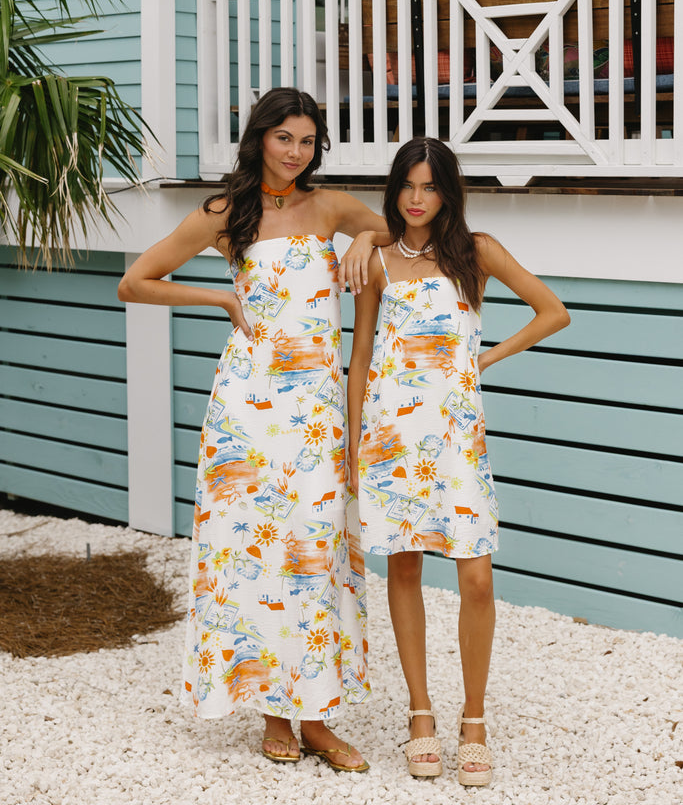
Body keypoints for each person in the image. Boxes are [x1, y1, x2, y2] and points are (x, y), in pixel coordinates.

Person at [118, 88, 389, 772]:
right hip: (246, 411)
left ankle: (316, 717)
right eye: (283, 138)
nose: (295, 152)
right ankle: (273, 711)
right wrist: (216, 295)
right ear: (259, 138)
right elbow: (136, 281)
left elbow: (400, 229)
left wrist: (363, 237)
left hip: (317, 411)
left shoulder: (331, 207)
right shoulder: (223, 213)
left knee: (315, 551)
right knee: (255, 554)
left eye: (307, 141)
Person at [347, 136, 570, 784]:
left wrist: (483, 359)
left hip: (455, 439)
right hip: (390, 436)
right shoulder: (378, 261)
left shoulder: (477, 252)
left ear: (448, 192)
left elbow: (552, 311)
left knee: (476, 579)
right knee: (405, 567)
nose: (417, 199)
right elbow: (360, 356)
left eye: (430, 186)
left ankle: (474, 719)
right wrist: (354, 444)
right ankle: (420, 715)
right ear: (394, 190)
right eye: (407, 186)